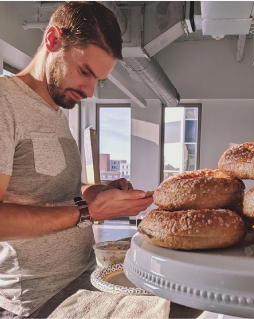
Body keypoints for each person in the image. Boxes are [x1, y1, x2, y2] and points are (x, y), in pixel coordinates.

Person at [0, 2, 153, 317]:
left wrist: (95, 192)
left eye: (98, 80)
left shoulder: (57, 108)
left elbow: (51, 190)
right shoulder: (5, 103)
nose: (90, 90)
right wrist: (89, 211)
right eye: (85, 72)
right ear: (53, 39)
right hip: (32, 304)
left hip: (79, 286)